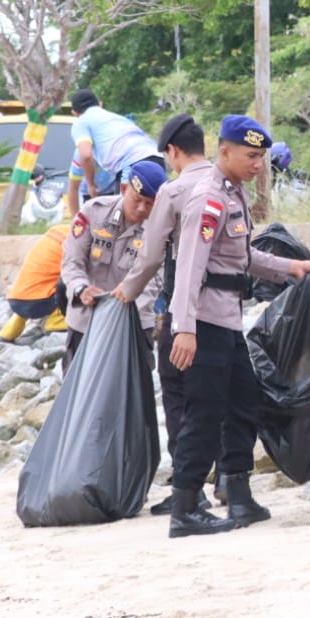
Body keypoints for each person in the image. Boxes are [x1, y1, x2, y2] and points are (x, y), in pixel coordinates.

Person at [165, 115, 310, 538]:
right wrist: (184, 328)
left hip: (228, 320)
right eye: (251, 156)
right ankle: (185, 507)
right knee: (204, 411)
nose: (258, 165)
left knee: (244, 403)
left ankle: (237, 491)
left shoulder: (235, 196)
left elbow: (243, 258)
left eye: (262, 157)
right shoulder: (209, 200)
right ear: (225, 151)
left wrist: (291, 267)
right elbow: (190, 267)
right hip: (204, 322)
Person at [112, 113, 214, 514]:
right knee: (213, 400)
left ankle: (189, 490)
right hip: (222, 312)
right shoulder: (225, 187)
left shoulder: (175, 191)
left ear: (173, 151)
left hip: (180, 314)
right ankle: (229, 483)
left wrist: (128, 290)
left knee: (177, 399)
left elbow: (153, 256)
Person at [59, 161, 167, 370]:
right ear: (124, 189)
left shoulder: (162, 228)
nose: (142, 208)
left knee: (130, 397)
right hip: (87, 319)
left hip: (133, 323)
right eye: (137, 200)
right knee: (77, 394)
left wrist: (120, 309)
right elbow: (72, 261)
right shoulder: (94, 212)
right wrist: (81, 289)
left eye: (149, 203)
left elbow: (156, 280)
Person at [66, 89, 163, 216]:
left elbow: (86, 155)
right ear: (100, 104)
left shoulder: (81, 122)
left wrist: (90, 184)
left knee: (123, 218)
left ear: (75, 113)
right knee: (155, 215)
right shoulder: (119, 119)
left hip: (130, 163)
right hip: (157, 158)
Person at [0, 224, 71, 341]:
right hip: (40, 303)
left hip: (15, 299)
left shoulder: (55, 232)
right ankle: (56, 322)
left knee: (40, 279)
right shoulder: (76, 241)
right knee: (74, 279)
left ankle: (11, 329)